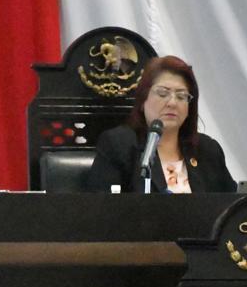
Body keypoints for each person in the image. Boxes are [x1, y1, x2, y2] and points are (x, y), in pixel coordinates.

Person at [84, 55, 236, 193]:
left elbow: (232, 206)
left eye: (181, 96)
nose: (172, 103)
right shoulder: (119, 145)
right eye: (163, 93)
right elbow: (100, 209)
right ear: (143, 100)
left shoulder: (208, 150)